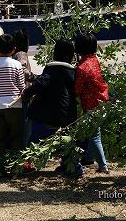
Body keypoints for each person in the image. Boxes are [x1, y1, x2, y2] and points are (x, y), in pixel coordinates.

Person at [22, 39, 81, 177]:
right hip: (69, 111)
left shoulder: (53, 69)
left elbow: (42, 83)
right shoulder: (72, 71)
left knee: (41, 136)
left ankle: (74, 168)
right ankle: (69, 165)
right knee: (67, 138)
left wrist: (27, 93)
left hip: (54, 110)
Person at [0, 34, 26, 176]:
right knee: (16, 137)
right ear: (14, 49)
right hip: (14, 105)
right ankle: (16, 168)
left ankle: (0, 169)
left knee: (0, 138)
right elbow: (22, 87)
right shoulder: (16, 65)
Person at [74, 33, 109, 174]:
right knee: (93, 131)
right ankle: (88, 158)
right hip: (102, 100)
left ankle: (103, 165)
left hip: (91, 104)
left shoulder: (82, 68)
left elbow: (77, 89)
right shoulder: (95, 60)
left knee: (95, 135)